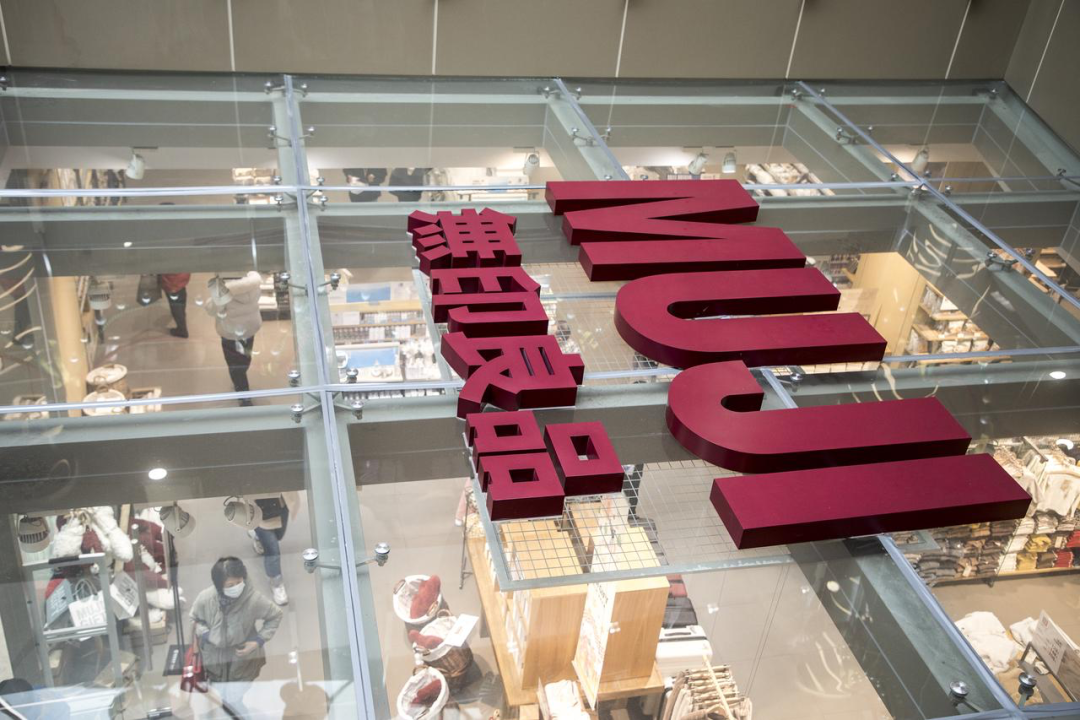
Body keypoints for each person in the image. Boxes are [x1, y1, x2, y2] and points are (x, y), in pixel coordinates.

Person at [191, 557, 283, 718]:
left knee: (234, 699)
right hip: (214, 661)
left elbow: (275, 616)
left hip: (242, 662)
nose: (236, 588)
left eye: (239, 582)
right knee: (222, 695)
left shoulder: (253, 600)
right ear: (219, 586)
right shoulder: (206, 598)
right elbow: (195, 619)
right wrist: (205, 634)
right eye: (230, 585)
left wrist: (257, 641)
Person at [206, 272, 263, 404]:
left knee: (234, 363)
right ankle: (242, 375)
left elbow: (212, 310)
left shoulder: (221, 289)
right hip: (249, 327)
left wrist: (210, 299)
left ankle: (244, 396)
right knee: (245, 355)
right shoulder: (253, 282)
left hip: (231, 331)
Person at [246, 493, 298, 606]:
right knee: (272, 549)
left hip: (281, 500)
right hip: (259, 506)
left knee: (279, 535)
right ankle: (276, 582)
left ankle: (257, 535)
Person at [159, 273, 191, 338]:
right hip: (182, 276)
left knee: (175, 305)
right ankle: (182, 313)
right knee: (181, 294)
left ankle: (182, 330)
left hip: (172, 281)